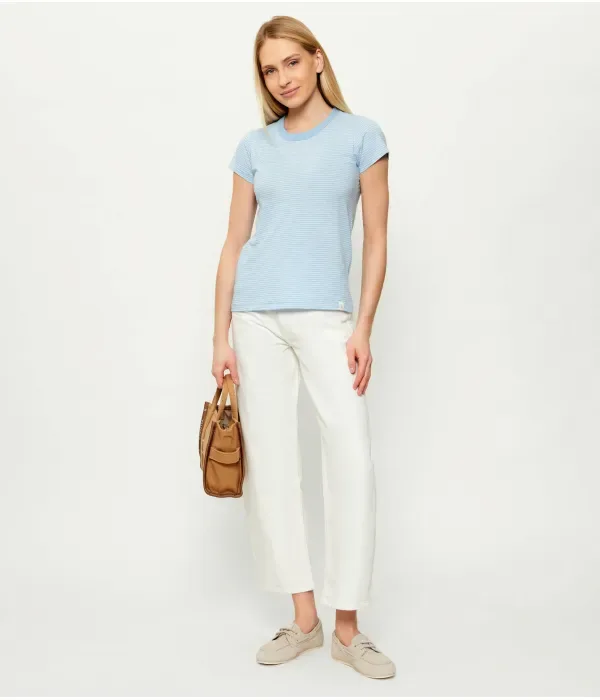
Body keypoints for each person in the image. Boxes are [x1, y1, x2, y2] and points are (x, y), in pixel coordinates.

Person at [212, 16, 394, 679]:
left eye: (291, 62)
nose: (282, 78)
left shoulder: (361, 136)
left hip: (326, 318)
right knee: (274, 468)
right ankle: (305, 618)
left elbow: (376, 238)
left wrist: (363, 326)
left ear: (318, 60)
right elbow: (235, 242)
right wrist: (220, 334)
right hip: (255, 317)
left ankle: (348, 629)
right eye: (269, 69)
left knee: (351, 458)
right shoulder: (253, 147)